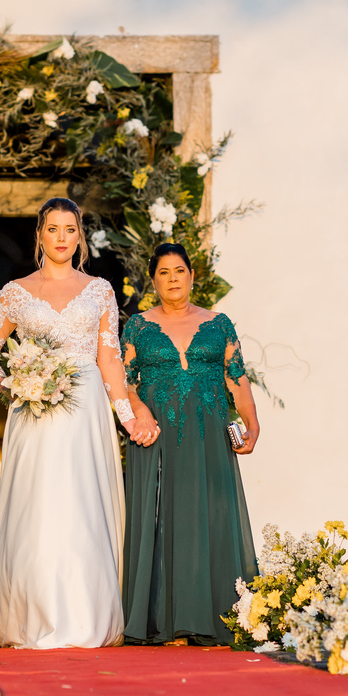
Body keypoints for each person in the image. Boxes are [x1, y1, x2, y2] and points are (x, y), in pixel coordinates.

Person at [0, 197, 150, 649]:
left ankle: (86, 613)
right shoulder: (15, 291)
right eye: (54, 229)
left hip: (85, 410)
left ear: (79, 236)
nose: (62, 238)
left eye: (70, 229)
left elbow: (109, 361)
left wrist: (128, 418)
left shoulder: (100, 290)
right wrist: (12, 383)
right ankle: (35, 612)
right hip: (34, 413)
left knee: (82, 503)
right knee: (38, 505)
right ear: (40, 235)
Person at [120, 243, 260, 645]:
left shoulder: (219, 324)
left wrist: (252, 425)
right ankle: (159, 619)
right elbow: (125, 383)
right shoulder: (137, 326)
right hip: (156, 434)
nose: (173, 279)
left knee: (210, 514)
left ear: (192, 275)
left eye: (179, 270)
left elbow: (237, 378)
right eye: (163, 273)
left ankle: (214, 616)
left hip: (209, 433)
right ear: (153, 281)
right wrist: (137, 413)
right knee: (160, 519)